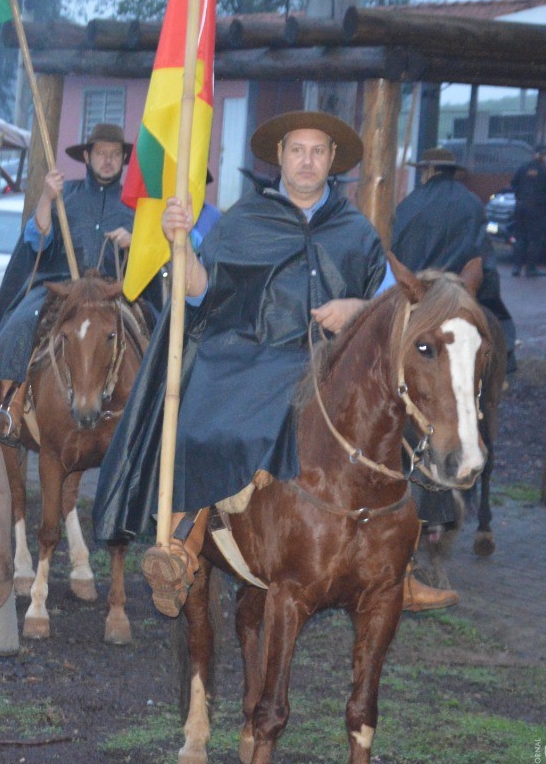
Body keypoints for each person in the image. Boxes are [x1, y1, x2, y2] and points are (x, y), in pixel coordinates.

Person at [92, 111, 396, 617]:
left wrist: (357, 310)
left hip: (339, 365)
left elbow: (392, 308)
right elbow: (201, 290)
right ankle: (185, 535)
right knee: (199, 423)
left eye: (317, 151)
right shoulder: (245, 220)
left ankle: (397, 567)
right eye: (297, 150)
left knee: (406, 421)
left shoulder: (357, 230)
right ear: (280, 157)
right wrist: (181, 243)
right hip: (253, 353)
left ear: (331, 162)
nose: (307, 160)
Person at [392, 146, 514, 612]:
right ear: (455, 172)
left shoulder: (408, 204)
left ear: (426, 170)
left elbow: (397, 258)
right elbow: (487, 265)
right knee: (480, 402)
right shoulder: (470, 204)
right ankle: (481, 517)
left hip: (419, 305)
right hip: (462, 303)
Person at [0, 122, 136, 417]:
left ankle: (156, 414)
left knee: (151, 330)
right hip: (63, 287)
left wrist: (132, 241)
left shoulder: (133, 205)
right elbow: (37, 241)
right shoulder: (65, 194)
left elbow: (150, 253)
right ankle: (5, 405)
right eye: (101, 153)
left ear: (124, 159)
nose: (108, 159)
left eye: (114, 154)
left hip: (115, 291)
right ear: (87, 157)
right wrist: (47, 198)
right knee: (22, 319)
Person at [510, 142, 546, 278]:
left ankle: (516, 267)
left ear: (534, 154)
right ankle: (531, 268)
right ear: (545, 155)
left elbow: (513, 184)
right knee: (535, 239)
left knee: (520, 237)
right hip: (538, 209)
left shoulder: (523, 167)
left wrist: (520, 197)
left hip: (521, 207)